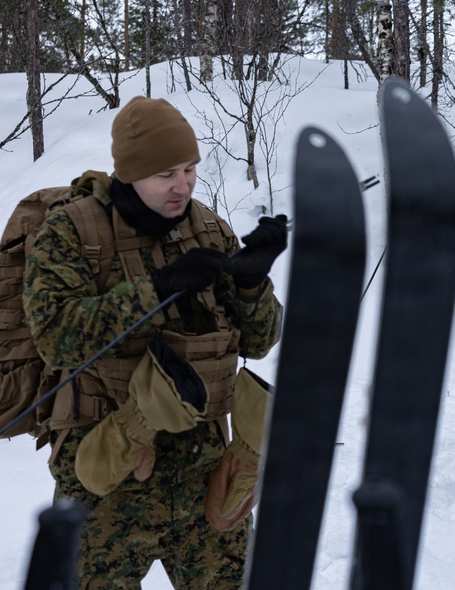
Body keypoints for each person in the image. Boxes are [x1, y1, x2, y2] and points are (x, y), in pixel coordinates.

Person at [23, 96, 285, 588]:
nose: (182, 185)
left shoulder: (206, 227)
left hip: (205, 467)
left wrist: (252, 285)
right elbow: (56, 338)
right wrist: (156, 290)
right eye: (166, 174)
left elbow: (260, 340)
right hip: (108, 465)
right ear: (129, 173)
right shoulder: (72, 232)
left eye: (190, 169)